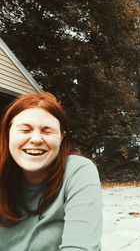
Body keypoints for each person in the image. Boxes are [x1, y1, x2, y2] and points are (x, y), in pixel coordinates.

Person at [0, 92, 103, 250]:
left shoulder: (78, 171)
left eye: (47, 131)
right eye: (25, 130)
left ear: (61, 137)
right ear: (8, 133)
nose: (36, 139)